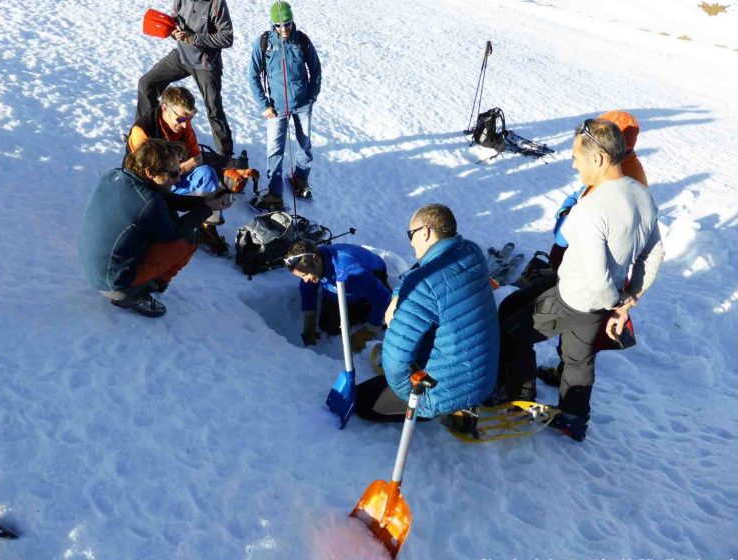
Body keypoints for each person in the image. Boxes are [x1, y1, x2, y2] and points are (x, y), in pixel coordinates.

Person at [496, 119, 663, 441]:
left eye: (577, 157)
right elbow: (653, 254)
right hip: (603, 299)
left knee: (513, 333)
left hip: (575, 297)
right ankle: (573, 417)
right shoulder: (641, 194)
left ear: (598, 159)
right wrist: (627, 300)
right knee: (578, 357)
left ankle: (518, 401)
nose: (573, 164)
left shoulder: (591, 208)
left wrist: (613, 302)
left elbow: (593, 272)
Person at [355, 204, 499, 422]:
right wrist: (398, 296)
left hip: (444, 391)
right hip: (482, 376)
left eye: (410, 235)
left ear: (425, 232)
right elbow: (418, 271)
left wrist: (409, 395)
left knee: (362, 400)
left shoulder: (423, 287)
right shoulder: (470, 252)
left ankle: (450, 408)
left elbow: (396, 360)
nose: (411, 242)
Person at [537, 110, 649, 386]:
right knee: (581, 342)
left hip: (586, 279)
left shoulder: (611, 188)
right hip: (606, 274)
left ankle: (549, 377)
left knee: (521, 325)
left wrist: (613, 301)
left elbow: (565, 236)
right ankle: (571, 395)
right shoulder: (630, 175)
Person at [79, 139, 228, 317]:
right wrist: (208, 209)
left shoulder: (115, 176)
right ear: (150, 172)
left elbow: (164, 199)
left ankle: (139, 284)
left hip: (96, 270)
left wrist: (204, 201)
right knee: (188, 239)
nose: (179, 178)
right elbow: (174, 234)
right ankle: (138, 292)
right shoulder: (149, 203)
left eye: (179, 170)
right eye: (173, 174)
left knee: (170, 221)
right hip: (114, 283)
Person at [127, 86, 231, 256]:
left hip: (173, 179)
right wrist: (181, 169)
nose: (184, 125)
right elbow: (147, 176)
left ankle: (207, 226)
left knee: (207, 173)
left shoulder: (184, 126)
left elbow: (195, 156)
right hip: (148, 188)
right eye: (181, 119)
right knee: (169, 228)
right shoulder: (143, 131)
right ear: (165, 108)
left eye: (188, 119)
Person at [248, 1, 321, 211]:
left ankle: (300, 179)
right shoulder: (264, 43)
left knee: (304, 145)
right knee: (275, 150)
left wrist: (311, 96)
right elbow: (253, 75)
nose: (284, 29)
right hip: (276, 108)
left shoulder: (302, 41)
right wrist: (264, 104)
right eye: (279, 25)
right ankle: (274, 192)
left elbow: (316, 70)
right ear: (273, 24)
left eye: (287, 24)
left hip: (302, 105)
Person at [136, 0, 235, 157]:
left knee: (213, 108)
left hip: (205, 63)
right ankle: (144, 135)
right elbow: (175, 21)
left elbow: (227, 38)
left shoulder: (216, 4)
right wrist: (173, 32)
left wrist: (195, 38)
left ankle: (225, 155)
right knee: (147, 83)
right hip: (181, 56)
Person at [284, 240, 391, 352]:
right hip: (338, 280)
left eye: (305, 275)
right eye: (302, 277)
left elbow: (383, 296)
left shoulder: (351, 271)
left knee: (374, 308)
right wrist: (309, 317)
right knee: (328, 325)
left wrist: (369, 330)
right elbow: (307, 288)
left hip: (371, 275)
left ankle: (372, 311)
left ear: (316, 259)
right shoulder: (314, 263)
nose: (305, 280)